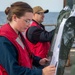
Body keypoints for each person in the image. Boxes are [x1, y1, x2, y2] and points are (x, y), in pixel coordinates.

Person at [0, 1, 55, 75]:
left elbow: (26, 54)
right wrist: (41, 72)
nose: (29, 24)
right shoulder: (3, 40)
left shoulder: (18, 33)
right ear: (15, 18)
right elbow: (14, 71)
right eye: (26, 21)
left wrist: (38, 61)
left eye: (30, 21)